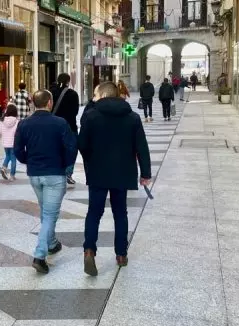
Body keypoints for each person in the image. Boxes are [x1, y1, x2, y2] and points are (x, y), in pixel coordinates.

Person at [78, 81, 152, 276]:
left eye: (95, 95)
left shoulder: (91, 116)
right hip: (123, 173)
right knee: (121, 213)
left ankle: (89, 250)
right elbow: (141, 147)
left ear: (101, 96)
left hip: (98, 173)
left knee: (94, 213)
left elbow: (82, 144)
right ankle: (121, 254)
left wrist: (90, 160)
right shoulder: (133, 117)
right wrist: (145, 174)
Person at [14, 90, 77, 274]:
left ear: (33, 103)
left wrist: (28, 160)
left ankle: (51, 243)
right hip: (54, 174)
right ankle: (39, 255)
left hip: (35, 174)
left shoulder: (24, 124)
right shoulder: (59, 123)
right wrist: (66, 165)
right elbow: (71, 146)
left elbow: (17, 149)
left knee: (45, 211)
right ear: (49, 103)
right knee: (50, 215)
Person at [51, 73, 80, 185]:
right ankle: (68, 173)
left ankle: (56, 171)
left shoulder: (51, 92)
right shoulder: (72, 94)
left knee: (55, 149)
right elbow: (75, 112)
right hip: (69, 126)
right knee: (71, 150)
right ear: (68, 81)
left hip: (53, 127)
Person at [0, 105, 19, 181]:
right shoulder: (17, 121)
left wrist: (2, 136)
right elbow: (18, 133)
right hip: (13, 143)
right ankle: (12, 175)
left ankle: (4, 168)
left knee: (7, 156)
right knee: (13, 158)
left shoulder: (2, 120)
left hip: (5, 142)